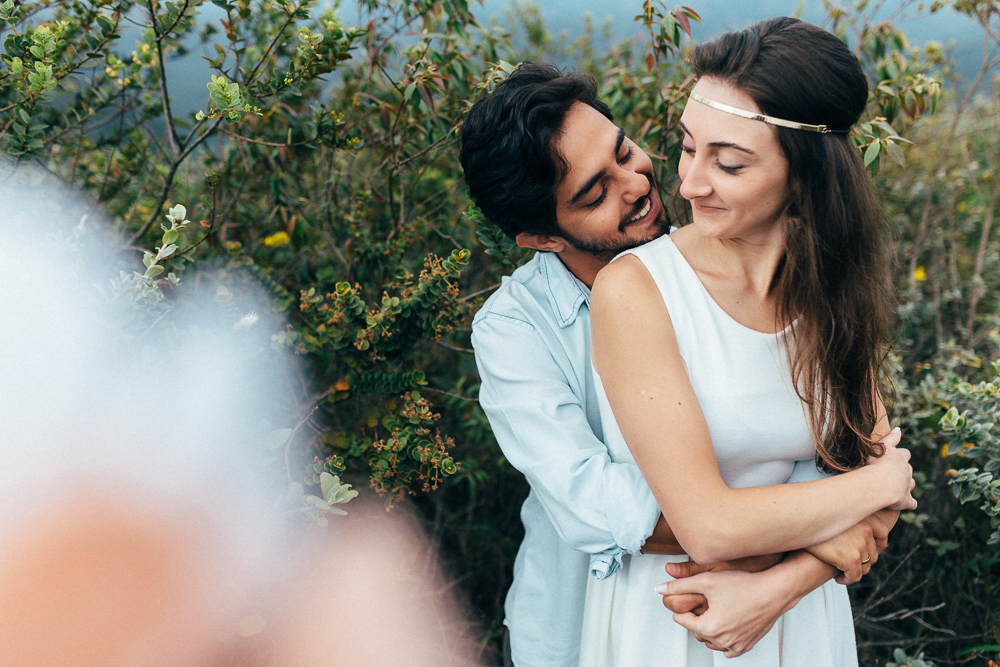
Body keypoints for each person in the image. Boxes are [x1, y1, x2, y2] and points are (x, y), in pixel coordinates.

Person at [460, 61, 894, 667]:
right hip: (590, 623)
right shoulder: (515, 329)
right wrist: (810, 533)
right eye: (596, 193)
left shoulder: (735, 246)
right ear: (543, 238)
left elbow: (849, 448)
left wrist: (791, 568)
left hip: (781, 618)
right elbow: (595, 501)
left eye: (624, 153)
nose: (636, 184)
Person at [582, 17, 917, 666]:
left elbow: (876, 486)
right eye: (688, 148)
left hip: (799, 621)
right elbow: (708, 525)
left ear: (803, 173)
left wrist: (778, 588)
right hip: (682, 617)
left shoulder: (826, 286)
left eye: (728, 162)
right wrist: (884, 481)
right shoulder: (637, 290)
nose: (689, 183)